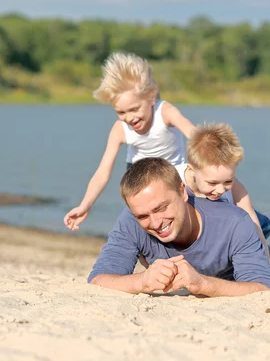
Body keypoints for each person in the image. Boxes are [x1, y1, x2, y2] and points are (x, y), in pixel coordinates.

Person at [88, 157, 270, 298]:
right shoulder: (132, 220)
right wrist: (142, 281)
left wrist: (201, 284)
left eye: (162, 208)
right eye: (143, 215)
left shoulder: (233, 222)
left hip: (250, 265)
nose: (155, 223)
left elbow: (263, 290)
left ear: (182, 191)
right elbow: (98, 280)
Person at [63, 51, 196, 231]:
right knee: (138, 222)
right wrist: (85, 205)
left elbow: (194, 134)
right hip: (140, 179)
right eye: (121, 112)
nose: (129, 118)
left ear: (150, 97)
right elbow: (103, 172)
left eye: (134, 109)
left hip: (175, 172)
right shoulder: (120, 128)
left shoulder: (164, 112)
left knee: (201, 178)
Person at [177, 123, 270, 261]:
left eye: (228, 181)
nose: (220, 190)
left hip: (237, 216)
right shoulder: (173, 180)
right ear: (191, 170)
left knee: (260, 223)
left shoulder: (236, 189)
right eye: (212, 183)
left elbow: (257, 234)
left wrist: (264, 263)